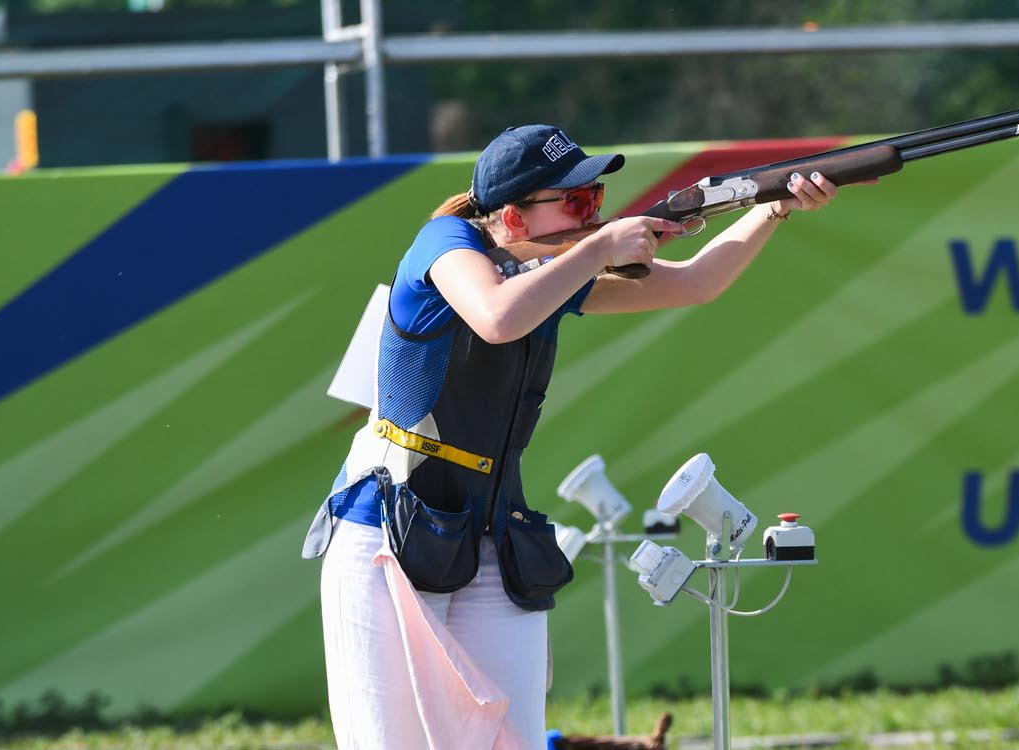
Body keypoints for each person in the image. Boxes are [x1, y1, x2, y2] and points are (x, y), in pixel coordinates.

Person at [301, 124, 844, 749]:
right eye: (578, 203)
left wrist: (773, 206)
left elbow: (698, 282)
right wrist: (599, 247)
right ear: (512, 215)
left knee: (515, 740)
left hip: (489, 538)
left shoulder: (549, 268)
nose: (593, 215)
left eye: (596, 200)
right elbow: (497, 316)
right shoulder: (444, 242)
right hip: (386, 532)